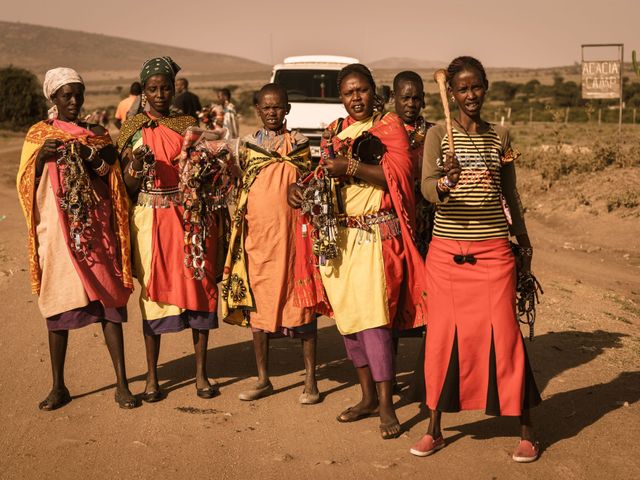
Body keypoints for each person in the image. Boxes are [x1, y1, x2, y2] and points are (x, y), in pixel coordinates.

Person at [412, 56, 541, 462]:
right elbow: (428, 192)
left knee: (505, 337)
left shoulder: (499, 136)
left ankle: (526, 431)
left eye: (476, 87)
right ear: (450, 93)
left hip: (493, 252)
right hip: (448, 254)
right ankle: (433, 428)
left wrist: (523, 242)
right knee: (442, 339)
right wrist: (447, 179)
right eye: (462, 89)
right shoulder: (437, 135)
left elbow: (510, 196)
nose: (470, 95)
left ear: (486, 87)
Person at [288, 64, 427, 439]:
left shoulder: (389, 127)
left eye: (362, 90)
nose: (356, 98)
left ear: (373, 91)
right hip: (339, 239)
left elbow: (397, 177)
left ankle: (386, 406)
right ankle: (367, 397)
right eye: (349, 92)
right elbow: (321, 175)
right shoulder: (334, 131)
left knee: (374, 320)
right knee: (349, 321)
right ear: (341, 95)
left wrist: (350, 165)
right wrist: (299, 190)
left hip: (376, 235)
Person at [16, 67, 137, 410]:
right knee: (57, 306)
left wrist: (90, 156)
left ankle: (122, 384)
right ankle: (58, 387)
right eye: (65, 95)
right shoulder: (39, 136)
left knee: (110, 305)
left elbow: (110, 174)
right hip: (57, 232)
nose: (73, 101)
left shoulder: (96, 133)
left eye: (77, 94)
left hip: (95, 231)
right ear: (52, 98)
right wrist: (41, 158)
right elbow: (25, 183)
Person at [117, 57, 218, 402]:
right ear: (143, 91)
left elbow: (207, 171)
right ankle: (152, 379)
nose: (160, 94)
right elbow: (124, 188)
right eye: (153, 88)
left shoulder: (188, 124)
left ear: (175, 88)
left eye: (165, 87)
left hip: (188, 216)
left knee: (200, 285)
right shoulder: (132, 129)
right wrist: (135, 168)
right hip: (149, 218)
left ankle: (201, 375)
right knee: (154, 291)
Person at [220, 83, 319, 404]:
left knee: (302, 303)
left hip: (294, 242)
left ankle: (311, 381)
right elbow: (234, 178)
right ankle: (263, 378)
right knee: (258, 308)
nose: (273, 112)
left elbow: (312, 182)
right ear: (258, 111)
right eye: (266, 107)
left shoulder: (301, 144)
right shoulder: (247, 146)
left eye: (278, 107)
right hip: (258, 239)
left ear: (287, 109)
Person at [389, 71, 434, 399]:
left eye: (416, 97)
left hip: (431, 228)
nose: (411, 104)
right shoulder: (384, 133)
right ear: (394, 98)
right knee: (390, 302)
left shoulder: (435, 133)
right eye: (405, 97)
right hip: (393, 229)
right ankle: (387, 377)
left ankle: (427, 377)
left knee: (432, 304)